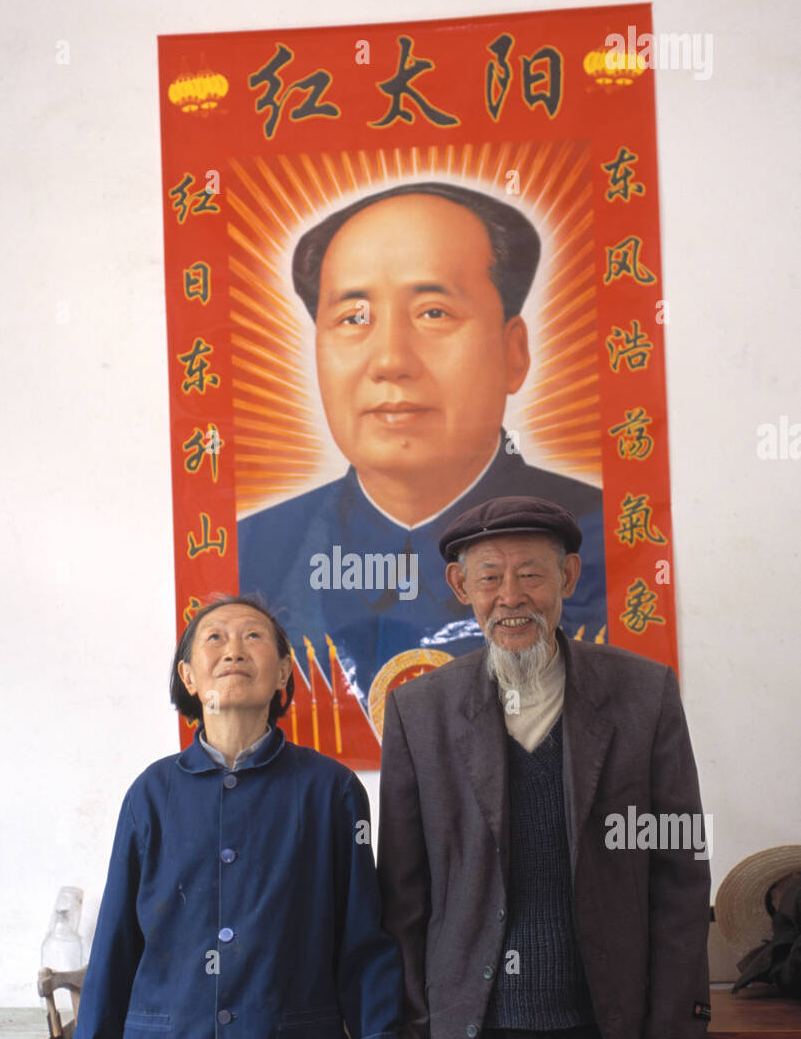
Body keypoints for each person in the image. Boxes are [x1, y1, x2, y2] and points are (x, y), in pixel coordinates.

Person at [376, 496, 711, 1039]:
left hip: (607, 1038)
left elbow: (676, 876)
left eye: (531, 574)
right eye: (489, 577)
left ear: (569, 576)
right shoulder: (421, 713)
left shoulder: (642, 695)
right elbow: (403, 899)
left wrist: (674, 1030)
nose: (511, 596)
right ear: (462, 591)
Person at [60, 596, 425, 1039]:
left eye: (255, 637)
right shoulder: (151, 795)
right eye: (215, 639)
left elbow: (362, 943)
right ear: (189, 677)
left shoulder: (331, 792)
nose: (233, 649)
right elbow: (115, 951)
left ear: (285, 673)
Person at [238, 181, 606, 709]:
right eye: (353, 318)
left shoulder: (597, 533)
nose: (390, 360)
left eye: (433, 313)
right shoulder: (260, 549)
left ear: (514, 352)